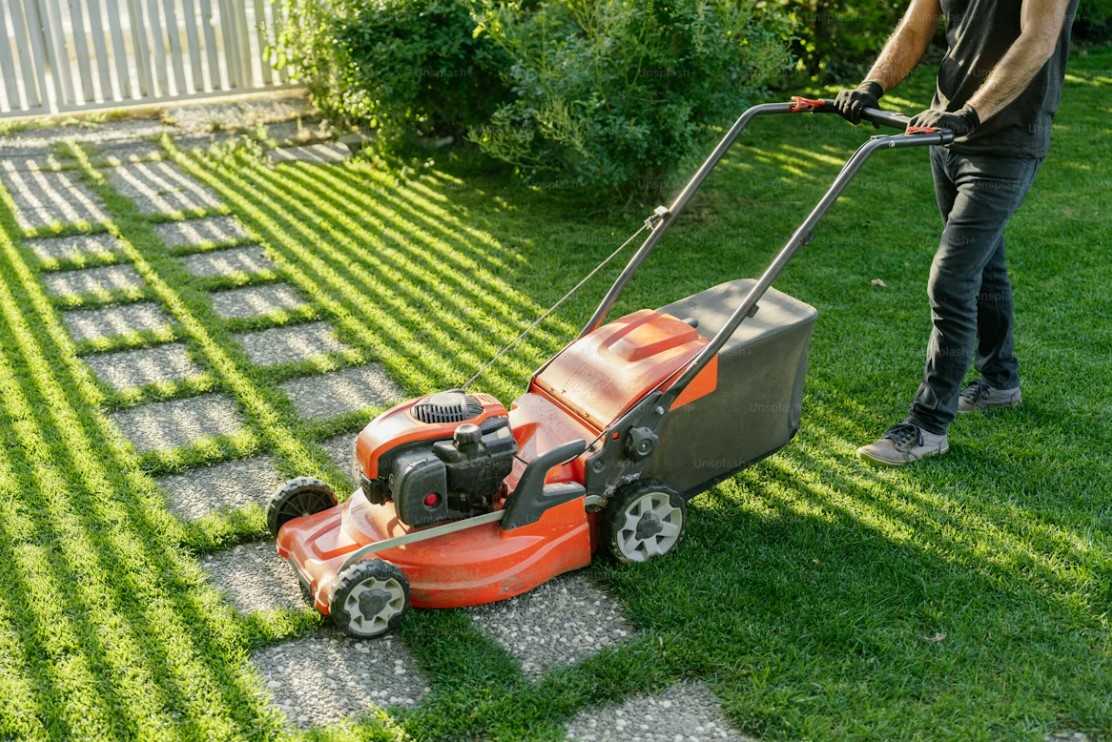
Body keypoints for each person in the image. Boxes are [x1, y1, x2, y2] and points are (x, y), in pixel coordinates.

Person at [834, 0, 1079, 466]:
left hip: (1005, 142)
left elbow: (1039, 40)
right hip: (944, 136)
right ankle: (1000, 383)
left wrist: (970, 113)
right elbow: (916, 25)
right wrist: (873, 83)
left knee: (951, 279)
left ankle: (927, 427)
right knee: (983, 263)